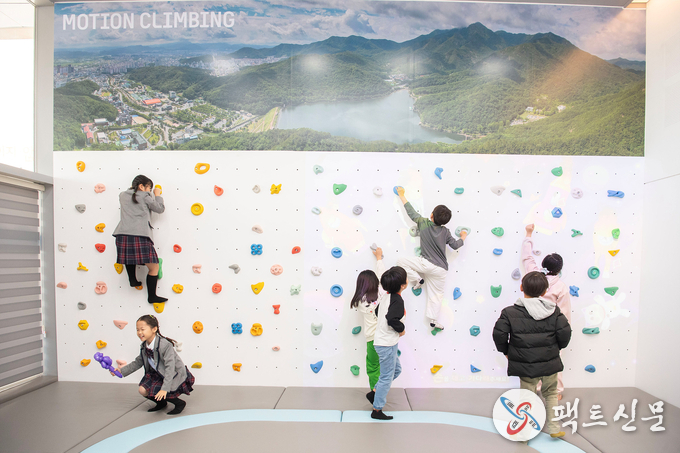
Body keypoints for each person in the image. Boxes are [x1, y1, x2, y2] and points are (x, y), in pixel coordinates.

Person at [492, 271, 572, 439]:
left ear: (522, 287)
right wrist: (557, 349)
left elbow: (499, 334)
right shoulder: (554, 311)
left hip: (526, 365)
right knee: (551, 393)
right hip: (550, 363)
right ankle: (554, 428)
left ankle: (524, 434)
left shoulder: (509, 312)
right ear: (545, 291)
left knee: (527, 398)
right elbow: (565, 332)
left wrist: (506, 351)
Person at [395, 187, 466, 330]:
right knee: (437, 295)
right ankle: (433, 321)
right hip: (440, 269)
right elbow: (455, 245)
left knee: (400, 262)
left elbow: (411, 212)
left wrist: (402, 195)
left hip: (426, 263)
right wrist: (463, 236)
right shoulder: (445, 232)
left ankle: (417, 279)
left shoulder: (423, 223)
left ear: (431, 215)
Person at [522, 223, 571, 398]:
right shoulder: (561, 287)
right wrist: (564, 333)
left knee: (533, 359)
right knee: (554, 361)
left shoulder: (533, 275)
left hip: (530, 327)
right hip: (551, 330)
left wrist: (528, 234)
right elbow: (564, 314)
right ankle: (555, 391)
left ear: (542, 264)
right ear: (560, 269)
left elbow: (527, 257)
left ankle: (534, 388)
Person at [114, 315, 194, 415]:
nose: (139, 332)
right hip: (157, 372)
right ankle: (161, 403)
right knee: (142, 390)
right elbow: (138, 362)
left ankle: (180, 403)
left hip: (172, 373)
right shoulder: (144, 346)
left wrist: (164, 389)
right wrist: (121, 371)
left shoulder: (165, 345)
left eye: (142, 329)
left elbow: (170, 367)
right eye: (137, 330)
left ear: (154, 329)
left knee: (166, 390)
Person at [113, 175, 167, 303]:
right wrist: (157, 194)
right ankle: (152, 296)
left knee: (128, 257)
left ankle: (133, 279)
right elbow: (160, 209)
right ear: (142, 186)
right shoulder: (145, 196)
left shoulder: (122, 195)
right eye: (149, 188)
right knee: (154, 267)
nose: (149, 191)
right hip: (140, 235)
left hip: (122, 234)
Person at [350, 246, 388, 404]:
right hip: (386, 337)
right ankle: (380, 392)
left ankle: (375, 392)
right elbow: (382, 275)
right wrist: (379, 258)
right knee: (386, 368)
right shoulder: (382, 292)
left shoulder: (359, 301)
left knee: (373, 366)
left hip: (372, 338)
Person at [371, 265, 408, 420]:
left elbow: (377, 312)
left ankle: (374, 392)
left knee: (396, 370)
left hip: (384, 342)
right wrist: (401, 330)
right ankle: (377, 410)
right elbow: (392, 319)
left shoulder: (386, 296)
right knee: (386, 377)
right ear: (403, 285)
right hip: (386, 344)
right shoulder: (397, 300)